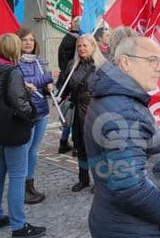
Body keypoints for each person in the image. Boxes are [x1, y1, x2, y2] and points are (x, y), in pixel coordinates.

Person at [85, 36, 160, 237]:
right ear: (126, 62)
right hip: (134, 228)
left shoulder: (116, 98)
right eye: (152, 60)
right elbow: (129, 186)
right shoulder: (125, 110)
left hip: (118, 221)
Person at [0, 33, 46, 237]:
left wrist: (21, 89)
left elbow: (2, 94)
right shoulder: (13, 72)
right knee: (18, 175)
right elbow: (21, 105)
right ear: (12, 49)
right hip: (9, 128)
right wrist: (31, 107)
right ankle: (19, 226)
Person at [16, 28, 59, 205]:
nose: (28, 43)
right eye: (25, 40)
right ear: (18, 43)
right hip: (27, 112)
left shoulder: (39, 61)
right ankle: (21, 189)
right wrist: (47, 77)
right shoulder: (16, 63)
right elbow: (25, 83)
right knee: (24, 150)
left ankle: (30, 184)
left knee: (33, 151)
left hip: (42, 111)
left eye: (31, 40)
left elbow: (42, 84)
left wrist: (50, 86)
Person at [56, 34, 104, 192]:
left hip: (95, 112)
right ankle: (83, 179)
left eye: (85, 45)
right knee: (80, 146)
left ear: (93, 46)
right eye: (79, 46)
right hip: (77, 111)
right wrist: (58, 94)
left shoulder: (101, 66)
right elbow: (64, 86)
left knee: (96, 148)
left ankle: (100, 182)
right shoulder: (72, 65)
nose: (82, 49)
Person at [57, 17, 81, 154]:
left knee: (69, 113)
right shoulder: (75, 40)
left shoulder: (67, 38)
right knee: (72, 113)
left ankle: (63, 141)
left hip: (65, 78)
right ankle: (75, 145)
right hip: (70, 79)